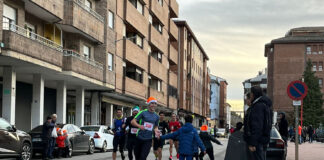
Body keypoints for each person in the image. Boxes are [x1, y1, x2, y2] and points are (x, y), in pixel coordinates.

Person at [244, 86, 272, 160]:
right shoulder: (264, 105)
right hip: (261, 140)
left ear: (253, 95)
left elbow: (257, 126)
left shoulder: (258, 106)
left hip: (257, 142)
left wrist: (252, 143)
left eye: (251, 94)